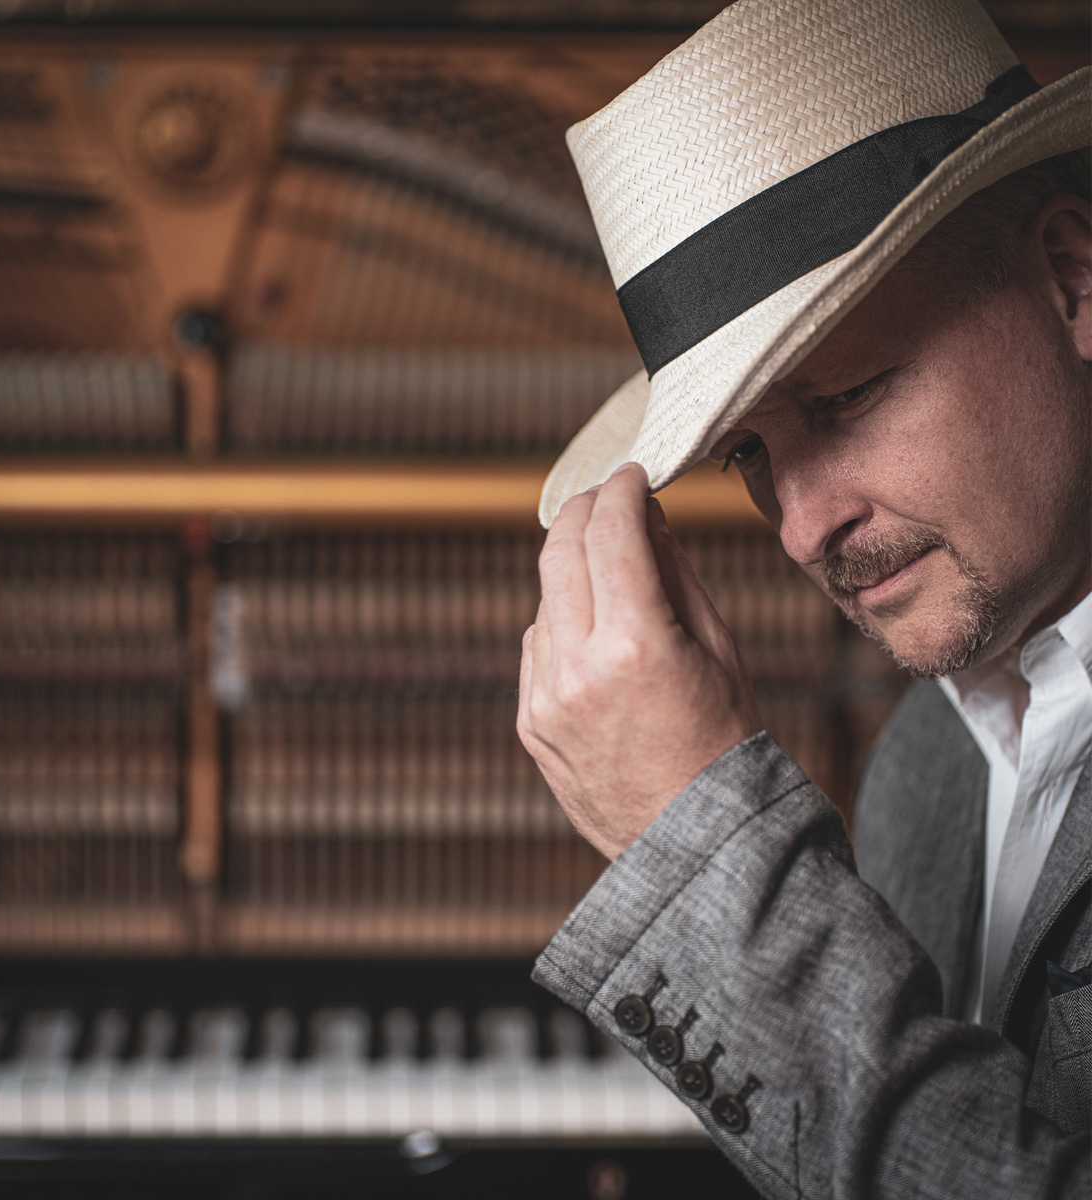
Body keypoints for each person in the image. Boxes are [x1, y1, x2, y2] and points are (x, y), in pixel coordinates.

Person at [514, 0, 1091, 1196]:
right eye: (751, 453)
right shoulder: (925, 768)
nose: (800, 525)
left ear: (1073, 278)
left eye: (845, 398)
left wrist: (704, 853)